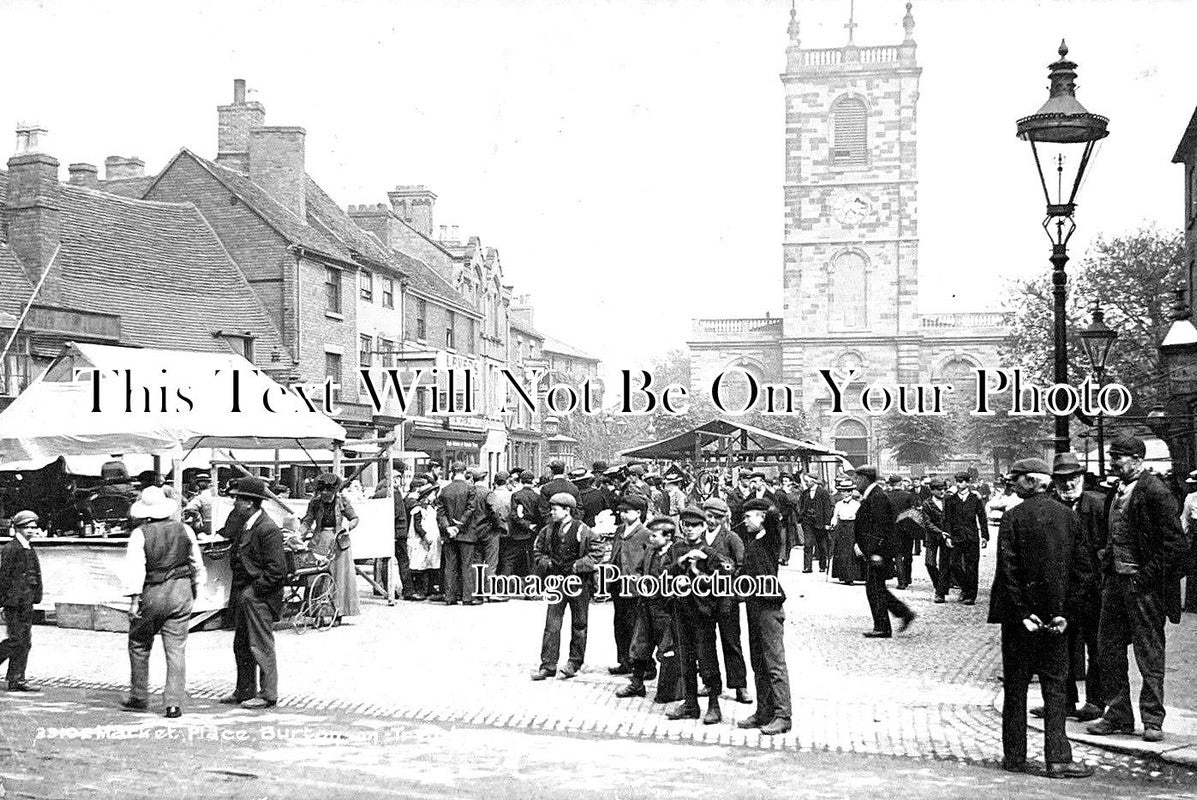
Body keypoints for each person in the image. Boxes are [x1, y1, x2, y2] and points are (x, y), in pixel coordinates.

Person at [988, 457, 1094, 779]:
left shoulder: (1012, 518)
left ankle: (1015, 757)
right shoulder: (1069, 517)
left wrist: (1023, 613)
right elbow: (1083, 572)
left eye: (1018, 479)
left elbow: (1008, 571)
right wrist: (1065, 614)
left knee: (1016, 688)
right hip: (1056, 623)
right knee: (1056, 689)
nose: (1012, 483)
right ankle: (1058, 759)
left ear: (1034, 481)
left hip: (1020, 623)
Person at [1087, 434, 1189, 744]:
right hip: (1115, 585)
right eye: (1113, 455)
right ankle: (1118, 715)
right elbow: (1113, 534)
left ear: (1138, 461)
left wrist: (1144, 579)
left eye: (1119, 456)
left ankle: (1152, 719)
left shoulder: (1155, 492)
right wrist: (1106, 560)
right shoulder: (1116, 491)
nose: (1113, 460)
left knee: (1149, 653)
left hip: (1144, 588)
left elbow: (1175, 547)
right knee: (1108, 649)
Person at [120, 486, 205, 718]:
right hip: (181, 591)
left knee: (139, 643)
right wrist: (194, 590)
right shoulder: (185, 529)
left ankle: (139, 696)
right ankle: (173, 704)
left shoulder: (140, 534)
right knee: (176, 649)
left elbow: (135, 569)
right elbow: (197, 564)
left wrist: (134, 601)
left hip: (152, 592)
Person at [219, 477, 287, 709]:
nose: (235, 502)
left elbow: (277, 570)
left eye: (238, 498)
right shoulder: (247, 524)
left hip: (258, 596)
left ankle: (268, 694)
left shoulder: (267, 529)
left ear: (250, 502)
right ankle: (244, 690)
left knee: (260, 644)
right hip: (244, 593)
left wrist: (254, 591)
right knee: (242, 643)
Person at [665, 506, 730, 724]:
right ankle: (690, 703)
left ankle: (714, 705)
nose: (690, 529)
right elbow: (664, 573)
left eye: (695, 525)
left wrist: (706, 563)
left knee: (707, 659)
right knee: (684, 658)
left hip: (702, 614)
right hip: (680, 611)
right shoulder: (676, 549)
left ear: (703, 527)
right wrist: (682, 561)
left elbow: (728, 570)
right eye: (686, 525)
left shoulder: (709, 552)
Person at [734, 497, 792, 735]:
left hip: (769, 607)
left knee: (774, 663)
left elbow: (775, 516)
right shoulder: (752, 539)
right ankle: (764, 711)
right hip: (754, 606)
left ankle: (783, 715)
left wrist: (765, 510)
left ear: (763, 517)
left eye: (750, 517)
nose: (745, 521)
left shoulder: (770, 537)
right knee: (758, 661)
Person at [531, 493, 603, 680]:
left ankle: (574, 663)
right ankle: (548, 665)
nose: (551, 512)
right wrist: (546, 563)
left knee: (579, 623)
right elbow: (537, 551)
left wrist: (577, 566)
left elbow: (597, 551)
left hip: (579, 583)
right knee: (551, 624)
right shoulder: (547, 531)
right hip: (556, 582)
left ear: (567, 510)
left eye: (555, 509)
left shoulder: (584, 530)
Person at [618, 514, 681, 702]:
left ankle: (670, 689)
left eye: (655, 536)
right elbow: (637, 571)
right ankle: (637, 684)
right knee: (640, 645)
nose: (651, 538)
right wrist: (639, 584)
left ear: (668, 537)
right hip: (646, 606)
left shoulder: (675, 554)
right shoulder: (649, 552)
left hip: (666, 610)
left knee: (667, 648)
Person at [854, 466, 915, 638]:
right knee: (876, 587)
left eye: (857, 478)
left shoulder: (877, 497)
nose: (855, 482)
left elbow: (881, 528)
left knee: (874, 588)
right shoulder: (873, 495)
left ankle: (883, 627)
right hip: (875, 551)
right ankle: (903, 613)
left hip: (878, 552)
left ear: (866, 479)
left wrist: (875, 552)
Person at [702, 497, 751, 705]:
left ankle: (740, 685)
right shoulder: (698, 537)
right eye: (709, 516)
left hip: (725, 599)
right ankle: (711, 682)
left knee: (731, 642)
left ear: (724, 518)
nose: (712, 521)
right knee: (705, 643)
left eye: (717, 517)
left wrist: (730, 586)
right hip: (702, 598)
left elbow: (741, 566)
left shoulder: (732, 538)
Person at [300, 472, 360, 620]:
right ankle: (317, 610)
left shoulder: (342, 501)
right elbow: (308, 521)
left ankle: (338, 611)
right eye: (322, 492)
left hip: (339, 542)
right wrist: (299, 533)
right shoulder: (315, 502)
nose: (325, 495)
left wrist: (348, 527)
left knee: (339, 576)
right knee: (317, 575)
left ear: (335, 491)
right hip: (320, 541)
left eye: (329, 492)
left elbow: (354, 518)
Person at [607, 494, 651, 676]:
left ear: (639, 513)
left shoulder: (645, 534)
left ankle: (644, 664)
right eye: (621, 512)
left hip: (635, 586)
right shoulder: (619, 530)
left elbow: (648, 560)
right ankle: (624, 660)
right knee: (620, 624)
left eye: (627, 512)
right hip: (619, 584)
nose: (623, 515)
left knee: (638, 627)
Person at [0, 510, 43, 692]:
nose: (32, 531)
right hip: (13, 603)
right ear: (18, 528)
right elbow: (4, 577)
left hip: (26, 602)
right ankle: (16, 678)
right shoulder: (11, 549)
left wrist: (35, 596)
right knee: (17, 641)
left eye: (34, 527)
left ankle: (17, 679)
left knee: (25, 641)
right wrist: (3, 601)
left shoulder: (28, 548)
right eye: (28, 528)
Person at [437, 462, 478, 606]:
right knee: (466, 565)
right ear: (465, 472)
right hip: (466, 534)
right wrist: (459, 526)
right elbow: (471, 509)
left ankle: (450, 597)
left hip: (449, 535)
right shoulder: (470, 489)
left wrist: (449, 528)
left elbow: (440, 512)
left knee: (450, 566)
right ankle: (467, 597)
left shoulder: (445, 490)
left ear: (452, 472)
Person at [946, 471, 988, 605]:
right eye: (957, 481)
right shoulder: (951, 500)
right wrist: (947, 536)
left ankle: (971, 595)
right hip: (956, 537)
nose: (959, 484)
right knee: (953, 564)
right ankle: (965, 587)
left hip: (971, 537)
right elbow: (947, 520)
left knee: (972, 566)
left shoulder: (975, 499)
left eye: (962, 481)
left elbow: (982, 518)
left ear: (968, 483)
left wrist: (984, 537)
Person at [406, 483, 442, 599]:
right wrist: (425, 537)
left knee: (429, 564)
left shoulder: (430, 507)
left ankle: (428, 588)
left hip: (432, 540)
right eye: (432, 494)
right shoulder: (418, 509)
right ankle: (419, 589)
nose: (434, 496)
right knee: (419, 565)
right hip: (420, 541)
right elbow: (418, 526)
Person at [506, 471, 542, 580]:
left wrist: (526, 525)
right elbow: (540, 515)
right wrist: (533, 526)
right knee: (531, 561)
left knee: (509, 560)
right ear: (532, 481)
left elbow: (514, 515)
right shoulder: (537, 497)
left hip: (517, 534)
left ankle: (503, 589)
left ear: (521, 481)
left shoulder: (516, 495)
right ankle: (530, 590)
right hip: (532, 534)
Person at [920, 478, 952, 602]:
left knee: (945, 564)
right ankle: (941, 586)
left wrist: (948, 533)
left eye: (943, 489)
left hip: (946, 537)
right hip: (932, 537)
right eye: (939, 490)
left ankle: (940, 593)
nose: (942, 492)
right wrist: (940, 532)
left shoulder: (948, 501)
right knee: (929, 563)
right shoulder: (926, 504)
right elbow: (927, 522)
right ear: (932, 490)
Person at [887, 476, 920, 589]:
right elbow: (913, 512)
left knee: (897, 555)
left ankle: (901, 582)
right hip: (907, 529)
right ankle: (907, 578)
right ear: (900, 483)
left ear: (890, 484)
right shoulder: (908, 495)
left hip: (892, 530)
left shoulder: (886, 496)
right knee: (908, 555)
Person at [829, 478, 862, 584]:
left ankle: (852, 576)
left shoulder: (856, 504)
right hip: (841, 527)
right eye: (842, 491)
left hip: (852, 526)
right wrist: (833, 523)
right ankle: (843, 575)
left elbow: (859, 518)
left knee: (851, 551)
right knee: (842, 551)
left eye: (845, 491)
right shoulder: (839, 504)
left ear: (850, 492)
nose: (843, 493)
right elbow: (835, 516)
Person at [799, 474, 833, 574]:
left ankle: (823, 565)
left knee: (821, 545)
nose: (806, 483)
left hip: (820, 522)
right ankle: (807, 567)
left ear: (814, 481)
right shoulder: (805, 493)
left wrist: (827, 523)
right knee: (808, 544)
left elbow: (827, 508)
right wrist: (802, 515)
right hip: (807, 522)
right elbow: (800, 505)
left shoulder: (823, 492)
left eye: (808, 481)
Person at [1180, 470, 1197, 613]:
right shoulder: (1191, 498)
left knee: (1194, 568)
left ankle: (1193, 603)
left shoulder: (1191, 498)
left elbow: (1185, 521)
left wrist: (1185, 537)